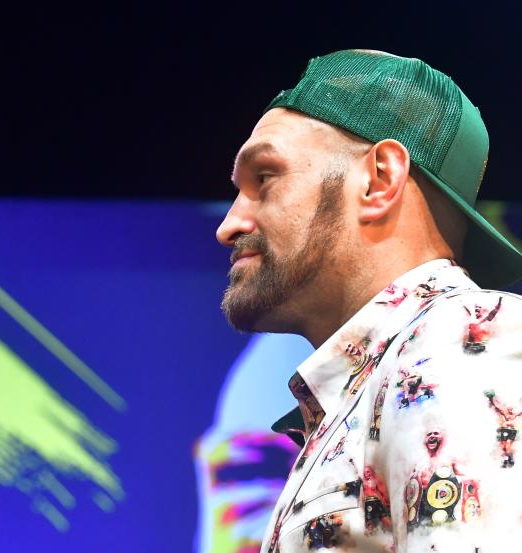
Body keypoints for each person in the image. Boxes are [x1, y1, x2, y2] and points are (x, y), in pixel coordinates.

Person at [216, 50, 522, 552]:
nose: (229, 225)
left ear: (379, 181)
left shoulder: (462, 346)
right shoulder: (384, 381)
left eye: (264, 179)